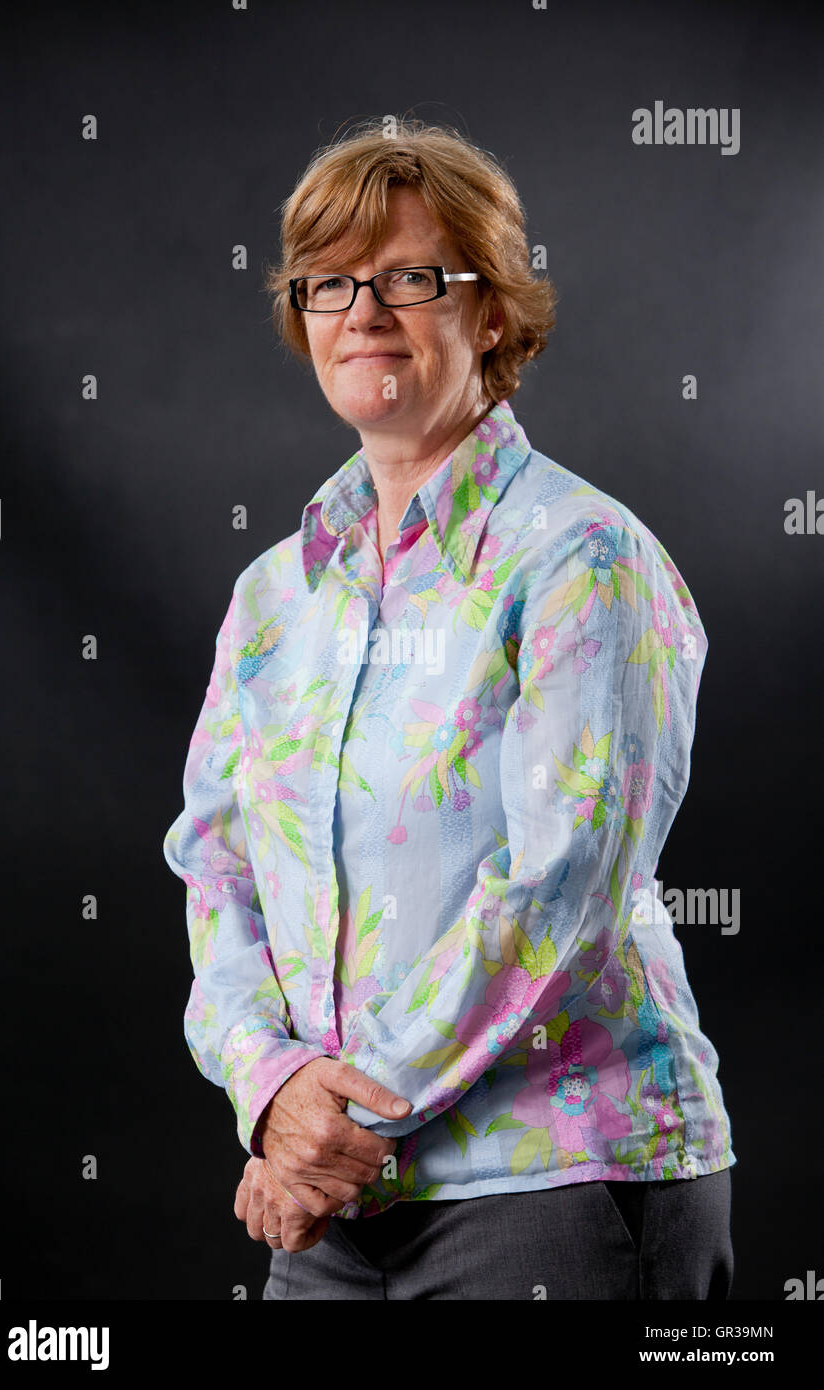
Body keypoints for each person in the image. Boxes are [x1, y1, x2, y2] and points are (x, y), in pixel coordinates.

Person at [162, 118, 736, 1300]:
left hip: (553, 1188)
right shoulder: (273, 595)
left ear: (492, 311)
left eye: (410, 276)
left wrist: (329, 1125)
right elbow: (214, 867)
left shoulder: (580, 556)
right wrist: (269, 1086)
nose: (362, 310)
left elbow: (559, 885)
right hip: (326, 1201)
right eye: (329, 282)